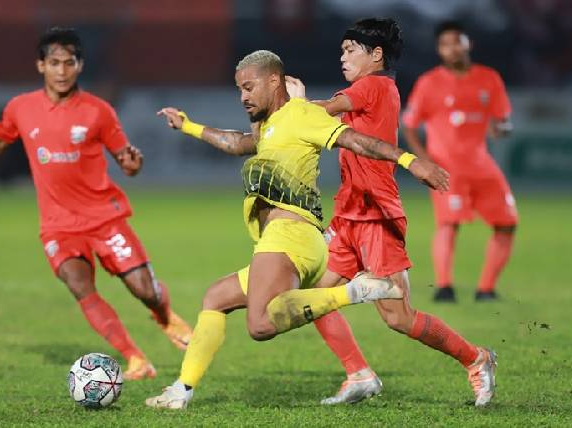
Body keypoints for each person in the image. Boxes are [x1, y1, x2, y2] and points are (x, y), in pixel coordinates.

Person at [144, 49, 450, 409]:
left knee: (259, 326)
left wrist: (410, 160)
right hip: (284, 239)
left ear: (274, 80)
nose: (243, 96)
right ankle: (181, 390)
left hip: (290, 236)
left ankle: (354, 292)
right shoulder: (270, 126)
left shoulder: (301, 115)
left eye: (248, 87)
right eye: (239, 90)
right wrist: (189, 125)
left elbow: (356, 140)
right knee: (216, 298)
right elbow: (238, 143)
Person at [0, 26, 192, 380]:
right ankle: (135, 358)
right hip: (58, 225)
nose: (61, 70)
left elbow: (127, 161)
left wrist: (134, 163)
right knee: (79, 284)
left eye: (68, 62)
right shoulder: (21, 108)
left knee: (144, 290)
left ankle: (164, 316)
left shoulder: (98, 111)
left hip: (105, 218)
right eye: (54, 63)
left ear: (79, 65)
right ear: (40, 65)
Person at [286, 18, 498, 407]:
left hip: (376, 216)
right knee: (313, 299)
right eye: (341, 50)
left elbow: (321, 112)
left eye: (351, 49)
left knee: (399, 318)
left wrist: (291, 102)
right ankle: (359, 374)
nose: (342, 56)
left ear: (376, 54)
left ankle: (477, 358)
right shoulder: (365, 90)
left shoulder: (374, 86)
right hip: (348, 214)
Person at [402, 20, 517, 302]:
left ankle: (486, 289)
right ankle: (444, 287)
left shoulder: (489, 79)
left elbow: (503, 122)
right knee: (449, 223)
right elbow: (409, 125)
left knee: (507, 223)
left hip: (482, 165)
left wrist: (501, 129)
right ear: (439, 50)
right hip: (446, 167)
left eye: (456, 42)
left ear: (468, 43)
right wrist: (424, 159)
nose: (451, 49)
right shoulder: (429, 83)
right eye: (445, 44)